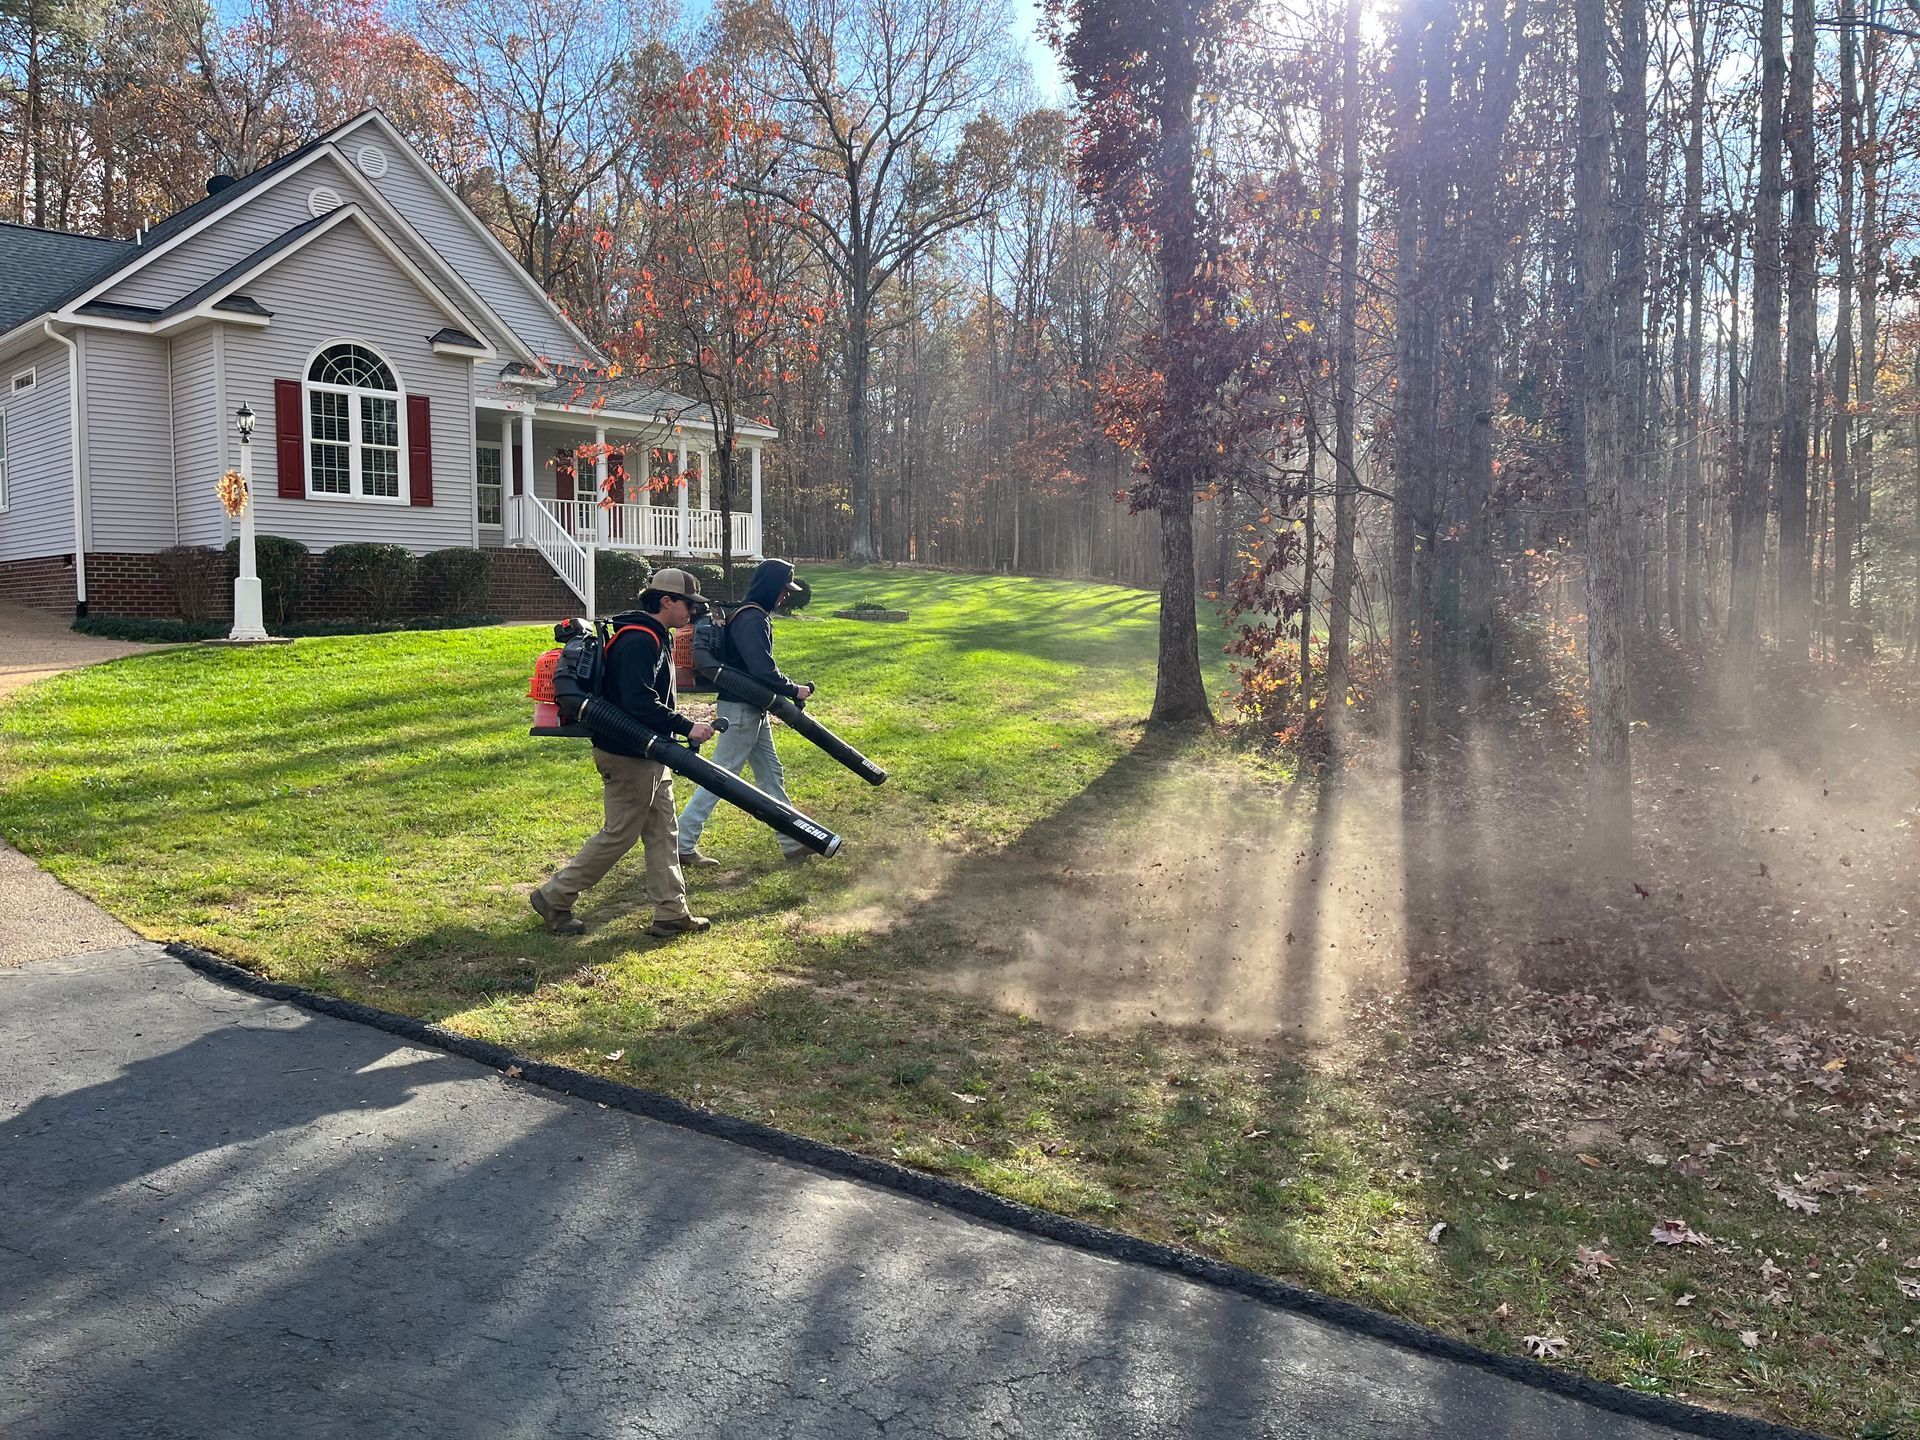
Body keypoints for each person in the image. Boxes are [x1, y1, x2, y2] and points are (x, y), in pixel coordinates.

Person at [531, 568, 717, 937]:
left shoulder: (654, 636)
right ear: (666, 601)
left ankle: (670, 912)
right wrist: (685, 726)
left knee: (664, 831)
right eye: (688, 604)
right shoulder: (638, 641)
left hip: (648, 752)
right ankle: (555, 896)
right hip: (627, 753)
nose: (692, 613)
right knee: (619, 834)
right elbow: (637, 703)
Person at [677, 558, 817, 867]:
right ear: (770, 587)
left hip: (753, 708)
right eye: (782, 589)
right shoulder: (753, 618)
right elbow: (761, 670)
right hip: (741, 709)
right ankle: (682, 843)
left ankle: (793, 841)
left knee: (771, 776)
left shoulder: (749, 614)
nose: (786, 596)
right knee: (720, 778)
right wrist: (794, 689)